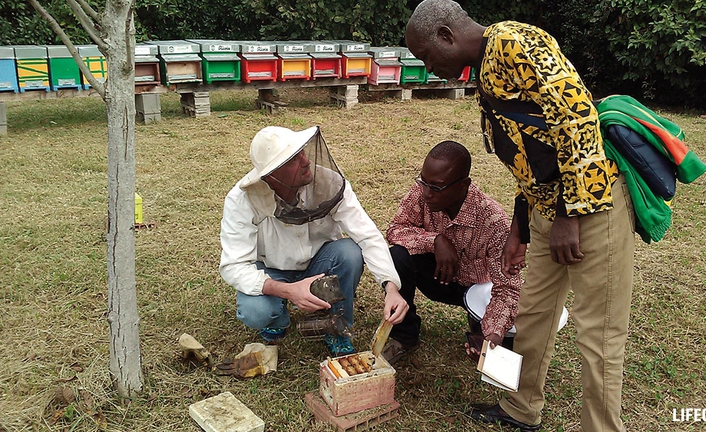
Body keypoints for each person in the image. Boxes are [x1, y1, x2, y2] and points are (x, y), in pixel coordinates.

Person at [405, 2, 636, 432]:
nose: (428, 66)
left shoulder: (515, 43)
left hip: (591, 211)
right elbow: (530, 156)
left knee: (599, 336)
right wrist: (520, 228)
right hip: (546, 213)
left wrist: (569, 215)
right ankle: (519, 408)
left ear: (445, 34)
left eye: (425, 55)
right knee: (530, 318)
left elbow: (579, 117)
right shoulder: (485, 70)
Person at [219, 125, 409, 356]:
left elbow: (367, 234)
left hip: (320, 264)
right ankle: (277, 320)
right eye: (293, 160)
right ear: (271, 175)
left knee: (349, 253)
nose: (306, 161)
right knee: (255, 311)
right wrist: (289, 291)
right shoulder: (241, 201)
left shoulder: (328, 182)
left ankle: (337, 327)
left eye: (302, 152)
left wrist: (391, 287)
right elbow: (234, 266)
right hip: (271, 271)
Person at [383, 140, 522, 364]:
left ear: (463, 185)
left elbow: (508, 288)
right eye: (423, 181)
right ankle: (404, 335)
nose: (427, 193)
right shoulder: (423, 191)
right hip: (436, 278)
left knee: (497, 347)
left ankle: (483, 330)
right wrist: (435, 241)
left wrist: (493, 332)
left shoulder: (493, 221)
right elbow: (395, 230)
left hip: (476, 292)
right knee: (398, 256)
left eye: (436, 187)